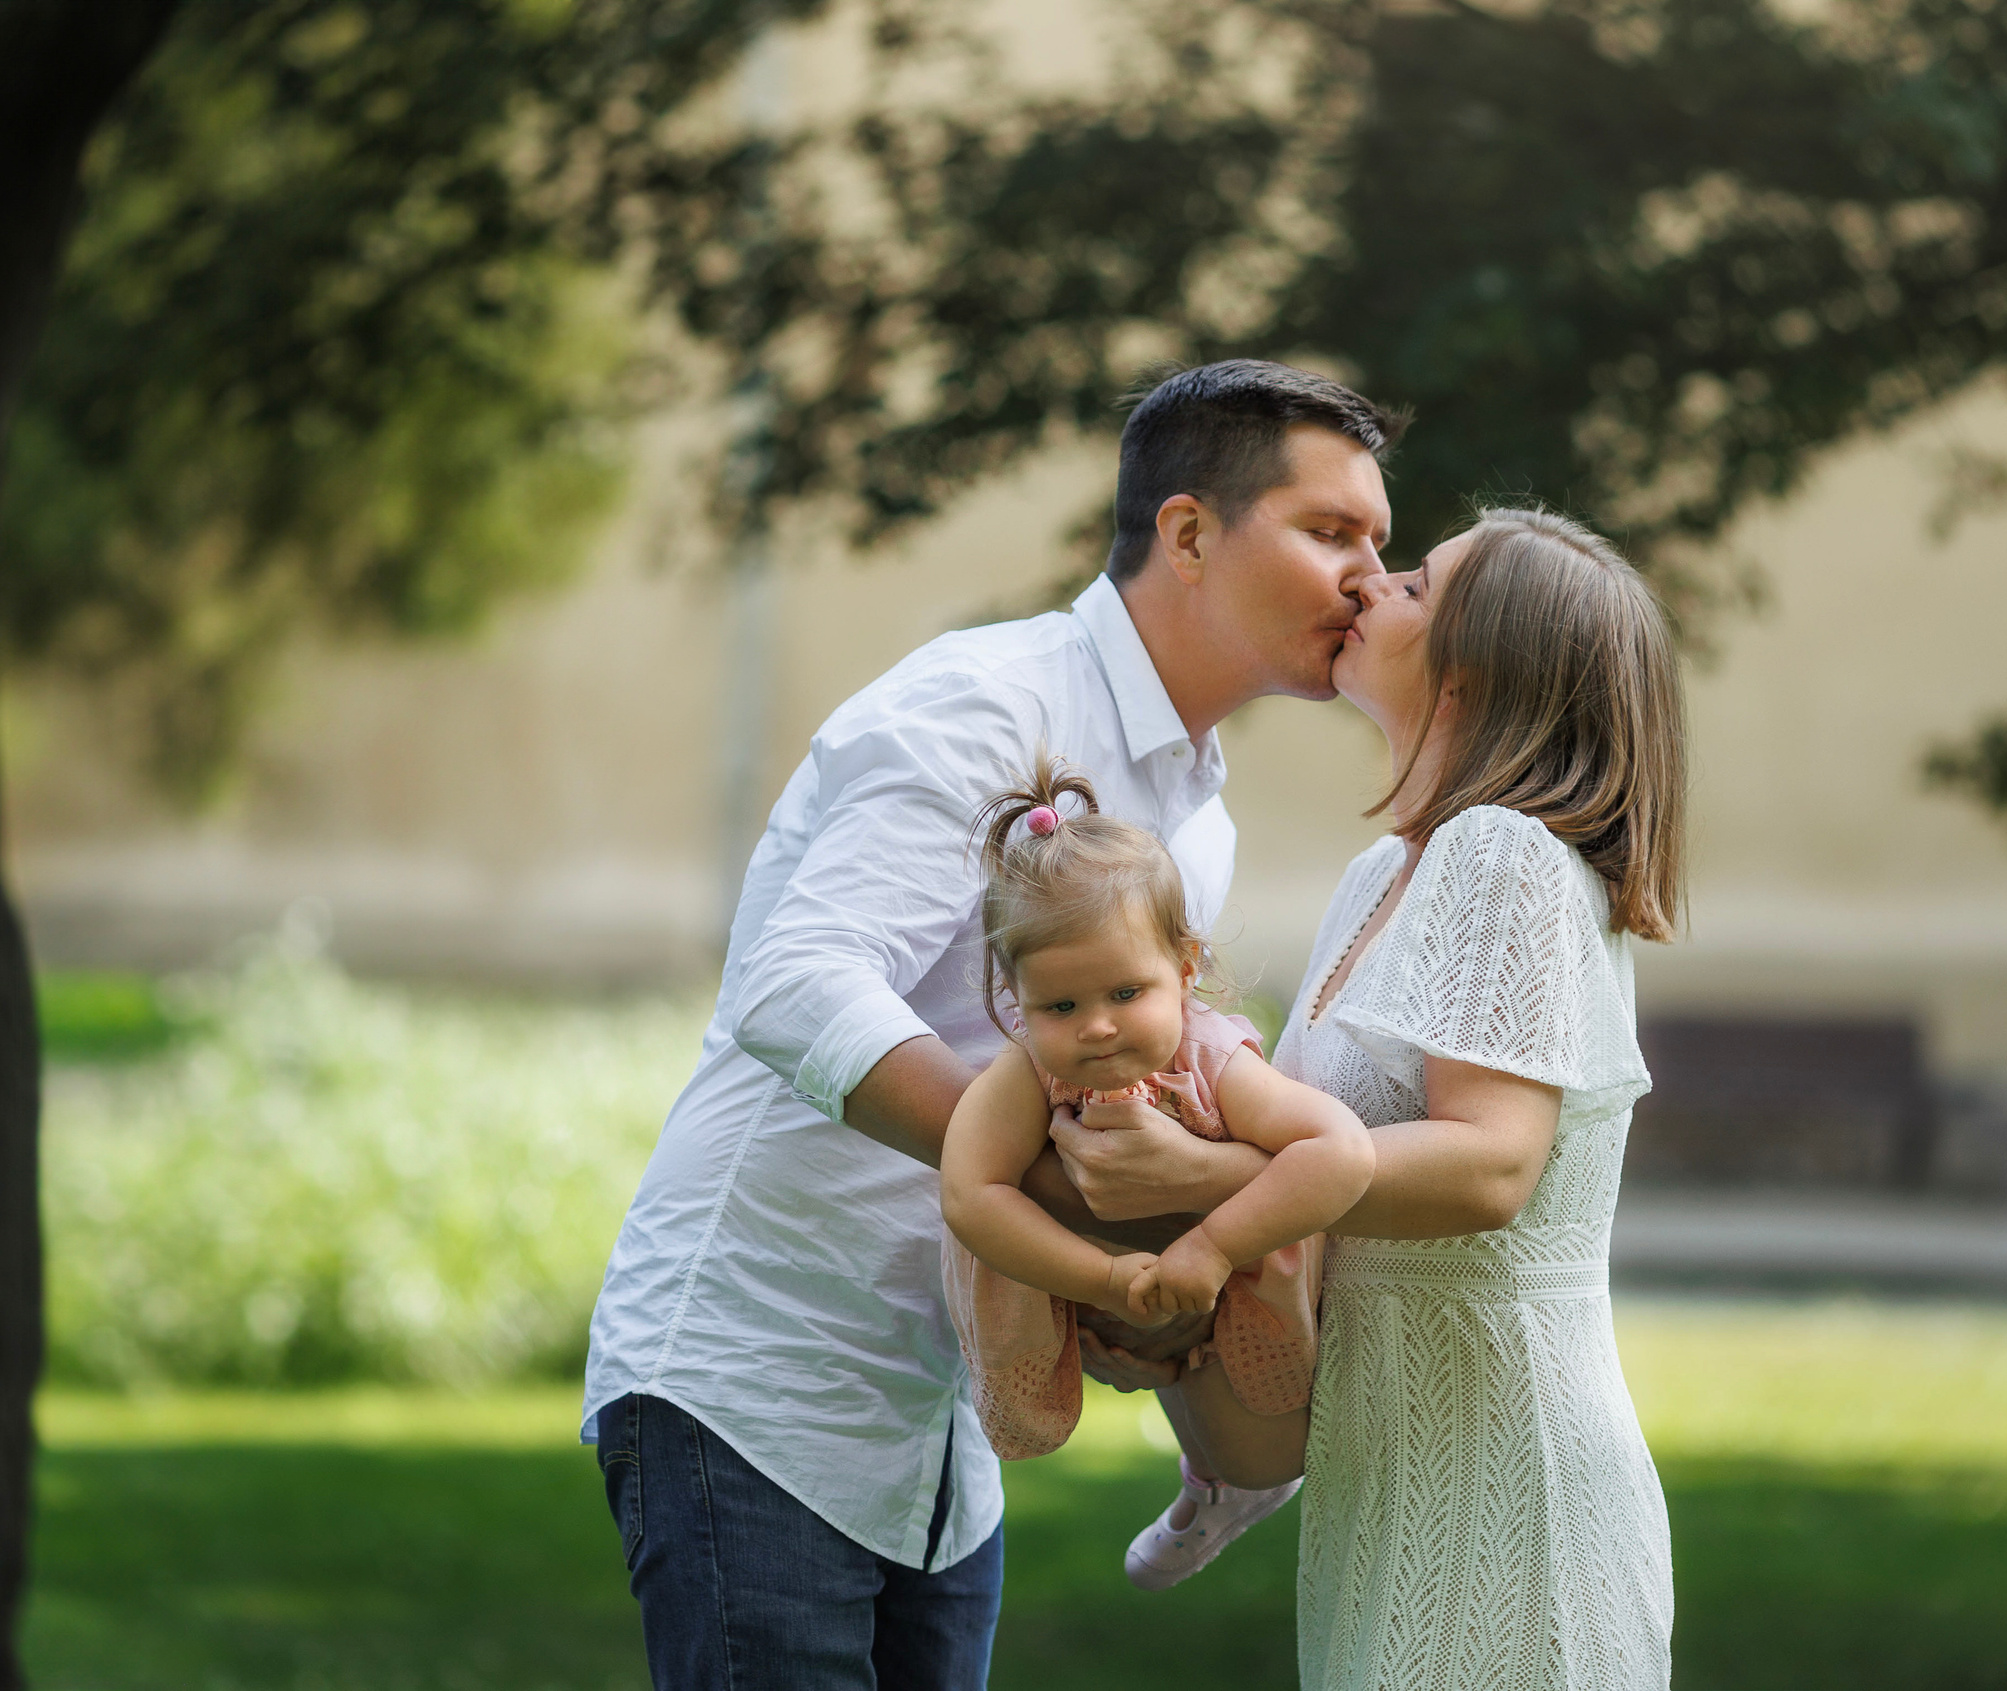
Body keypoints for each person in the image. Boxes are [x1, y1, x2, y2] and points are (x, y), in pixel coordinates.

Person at [580, 359, 1401, 1689]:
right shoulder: (987, 705)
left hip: (947, 1436)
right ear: (1188, 534)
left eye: (1382, 542)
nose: (1371, 577)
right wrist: (1047, 1182)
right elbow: (797, 980)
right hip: (760, 1389)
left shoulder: (1201, 818)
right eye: (1331, 534)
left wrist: (1139, 1282)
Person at [1066, 507, 1687, 1690]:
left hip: (1509, 1496)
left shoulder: (1499, 851)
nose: (1369, 584)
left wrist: (1204, 1188)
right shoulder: (1385, 871)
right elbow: (1309, 1176)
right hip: (1384, 1478)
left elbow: (1491, 1166)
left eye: (1415, 582)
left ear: (1474, 669)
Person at [939, 752, 1373, 1587]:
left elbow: (1341, 1152)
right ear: (1015, 1000)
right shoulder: (1026, 1071)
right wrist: (1098, 1276)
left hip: (1229, 1280)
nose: (1096, 1027)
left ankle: (1219, 1483)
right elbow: (970, 1192)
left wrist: (1210, 1247)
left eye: (1125, 993)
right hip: (1094, 1291)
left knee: (1269, 1449)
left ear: (1185, 964)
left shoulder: (1214, 1057)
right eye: (1060, 1006)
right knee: (1084, 1390)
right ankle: (1206, 1462)